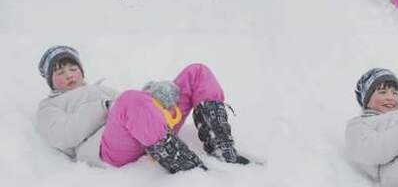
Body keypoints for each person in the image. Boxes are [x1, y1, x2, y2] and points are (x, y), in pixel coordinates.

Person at [36, 45, 249, 174]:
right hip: (108, 149)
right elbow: (63, 136)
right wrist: (104, 107)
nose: (69, 74)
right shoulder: (49, 106)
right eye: (60, 72)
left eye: (73, 68)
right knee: (129, 99)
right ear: (50, 81)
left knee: (197, 72)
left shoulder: (100, 89)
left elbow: (131, 105)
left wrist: (155, 95)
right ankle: (181, 161)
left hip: (148, 132)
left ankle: (220, 142)